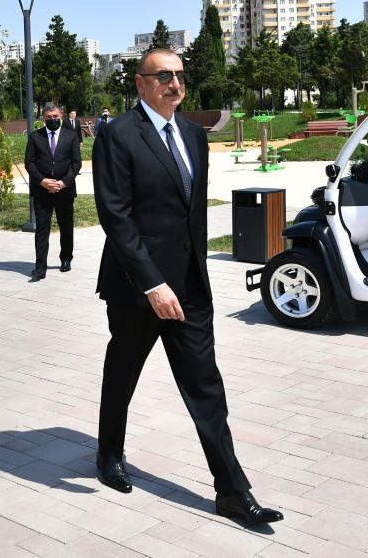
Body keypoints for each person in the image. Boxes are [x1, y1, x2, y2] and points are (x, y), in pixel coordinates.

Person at [92, 49, 282, 524]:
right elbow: (116, 217)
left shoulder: (195, 136)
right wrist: (152, 284)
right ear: (141, 84)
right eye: (163, 77)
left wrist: (193, 277)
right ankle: (108, 454)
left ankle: (232, 490)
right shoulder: (116, 136)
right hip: (139, 289)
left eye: (179, 76)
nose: (174, 84)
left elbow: (190, 216)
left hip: (190, 288)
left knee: (205, 386)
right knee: (123, 373)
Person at [24, 102, 82, 280]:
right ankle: (40, 266)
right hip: (42, 192)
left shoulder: (71, 136)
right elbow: (29, 163)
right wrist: (42, 181)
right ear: (43, 119)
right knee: (42, 228)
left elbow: (76, 163)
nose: (53, 120)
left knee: (66, 227)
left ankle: (66, 259)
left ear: (61, 117)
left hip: (64, 191)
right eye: (49, 118)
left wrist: (64, 183)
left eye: (56, 117)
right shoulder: (35, 137)